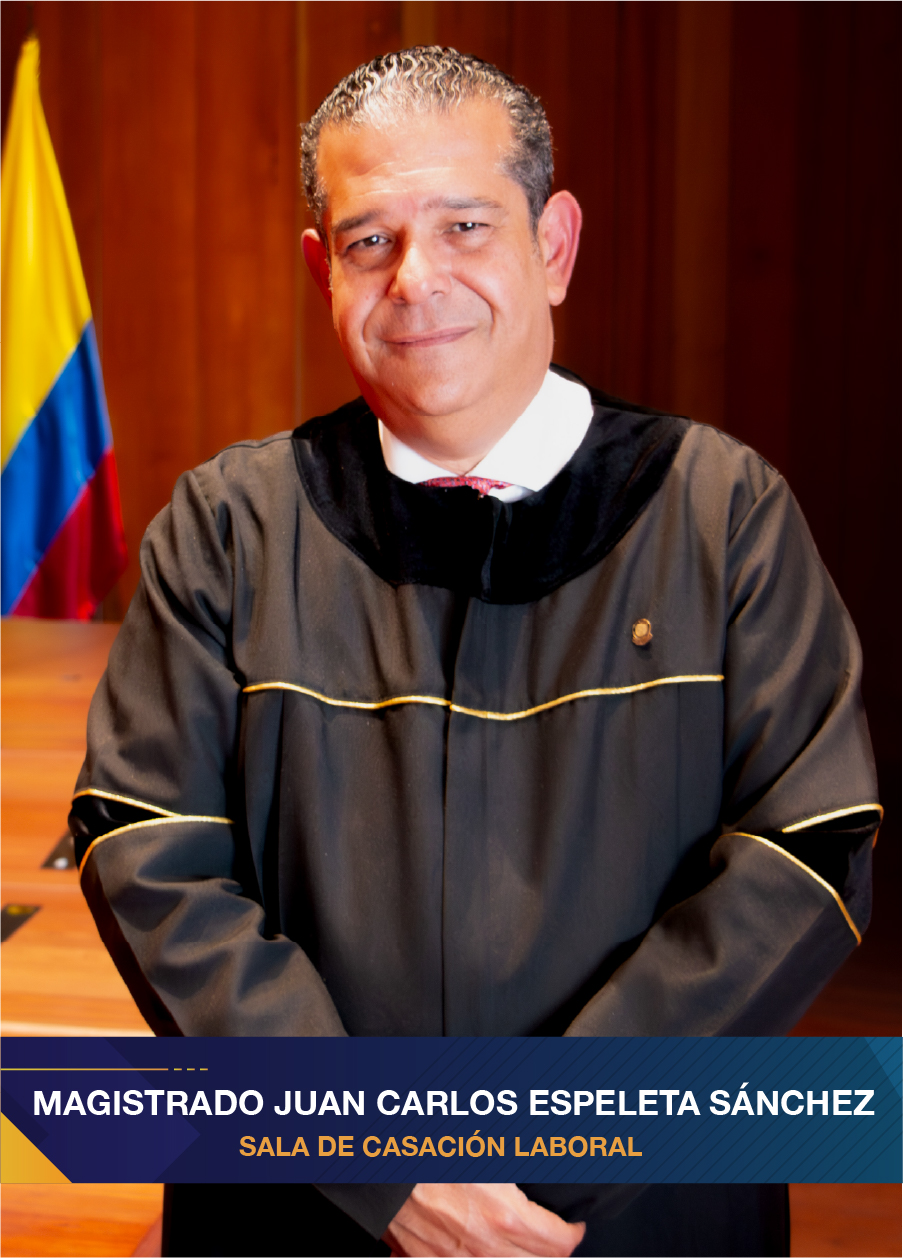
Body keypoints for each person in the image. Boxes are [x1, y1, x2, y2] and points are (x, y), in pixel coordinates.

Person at [70, 47, 880, 1258]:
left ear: (553, 245)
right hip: (302, 1210)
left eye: (465, 225)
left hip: (639, 1212)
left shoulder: (722, 515)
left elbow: (805, 850)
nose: (416, 279)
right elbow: (151, 856)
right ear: (323, 271)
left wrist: (549, 1157)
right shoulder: (227, 532)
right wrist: (382, 1167)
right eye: (370, 241)